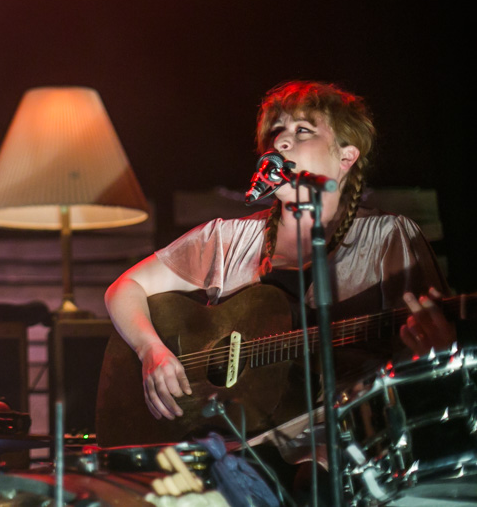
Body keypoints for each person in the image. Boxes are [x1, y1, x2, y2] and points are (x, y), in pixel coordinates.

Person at [104, 80, 447, 423]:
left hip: (347, 433)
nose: (281, 141)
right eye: (276, 131)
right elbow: (124, 288)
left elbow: (424, 362)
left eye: (303, 130)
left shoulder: (388, 235)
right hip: (235, 435)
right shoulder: (225, 238)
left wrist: (437, 348)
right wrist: (151, 349)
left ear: (346, 156)